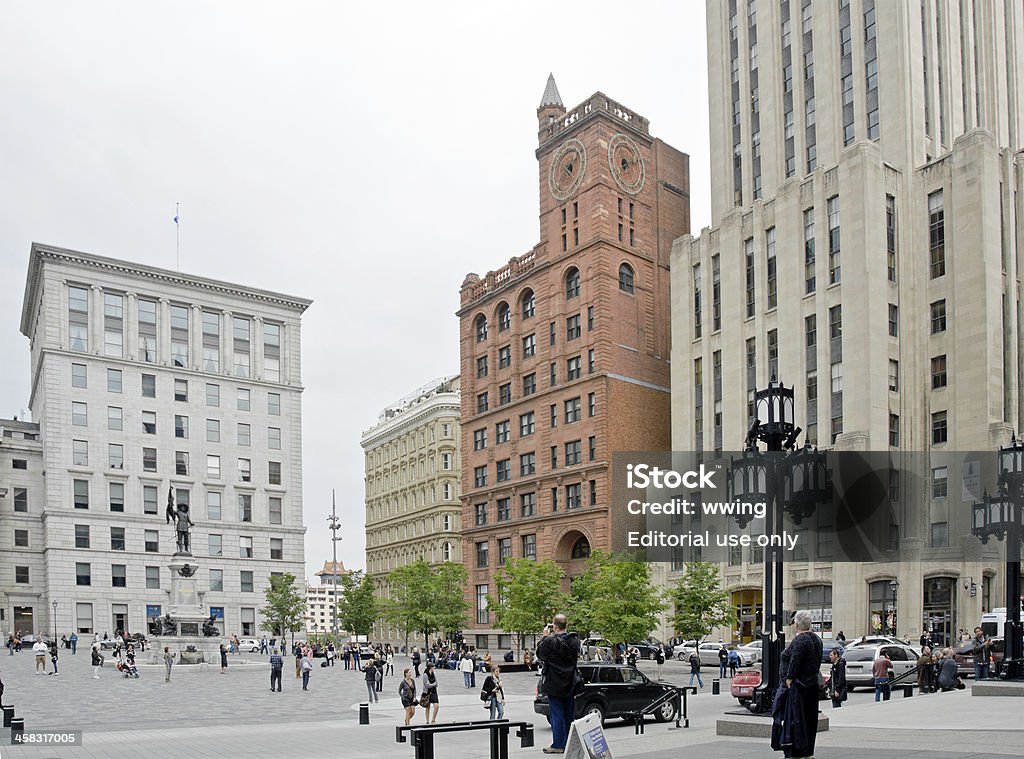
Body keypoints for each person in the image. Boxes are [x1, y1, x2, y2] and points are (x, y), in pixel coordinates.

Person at [774, 610, 823, 759]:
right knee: (809, 719)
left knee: (796, 720)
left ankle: (796, 751)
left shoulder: (800, 639)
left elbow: (795, 661)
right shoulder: (817, 639)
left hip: (798, 686)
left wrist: (789, 679)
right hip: (811, 684)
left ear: (796, 624)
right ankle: (808, 752)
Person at [536, 614, 581, 755]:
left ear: (554, 626)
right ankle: (569, 742)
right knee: (569, 714)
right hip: (570, 683)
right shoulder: (575, 641)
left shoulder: (550, 641)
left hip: (554, 683)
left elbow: (540, 655)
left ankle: (558, 744)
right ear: (566, 625)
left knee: (557, 715)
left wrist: (544, 637)